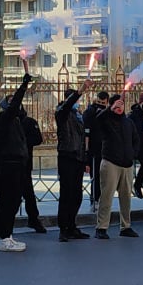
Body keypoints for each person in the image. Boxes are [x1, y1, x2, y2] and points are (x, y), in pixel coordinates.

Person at [0, 72, 32, 252]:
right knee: (11, 203)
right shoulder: (5, 118)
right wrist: (23, 86)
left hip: (11, 165)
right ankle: (6, 238)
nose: (18, 105)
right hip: (10, 166)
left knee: (4, 203)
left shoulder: (14, 121)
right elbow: (14, 106)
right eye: (14, 102)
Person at [94, 93, 140, 239]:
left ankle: (125, 226)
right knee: (107, 196)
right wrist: (110, 109)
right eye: (116, 105)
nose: (120, 107)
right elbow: (98, 120)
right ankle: (101, 227)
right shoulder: (106, 120)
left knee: (126, 197)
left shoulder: (128, 122)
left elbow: (136, 140)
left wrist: (133, 154)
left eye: (121, 104)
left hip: (127, 164)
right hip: (111, 163)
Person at [55, 80, 93, 242]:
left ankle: (72, 225)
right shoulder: (61, 112)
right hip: (67, 156)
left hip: (78, 157)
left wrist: (85, 159)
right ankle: (63, 228)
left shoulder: (78, 115)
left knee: (77, 194)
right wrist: (80, 90)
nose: (77, 103)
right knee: (66, 194)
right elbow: (66, 106)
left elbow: (82, 137)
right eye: (75, 100)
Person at [21, 111, 47, 233]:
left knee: (29, 195)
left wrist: (22, 140)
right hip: (7, 165)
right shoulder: (4, 120)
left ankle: (33, 219)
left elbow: (38, 139)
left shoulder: (29, 122)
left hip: (24, 164)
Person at [83, 91, 109, 212]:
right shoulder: (90, 112)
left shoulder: (108, 112)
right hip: (94, 150)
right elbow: (86, 132)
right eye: (98, 102)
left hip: (106, 150)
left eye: (103, 103)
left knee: (106, 178)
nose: (100, 105)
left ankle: (103, 200)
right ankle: (94, 200)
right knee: (96, 177)